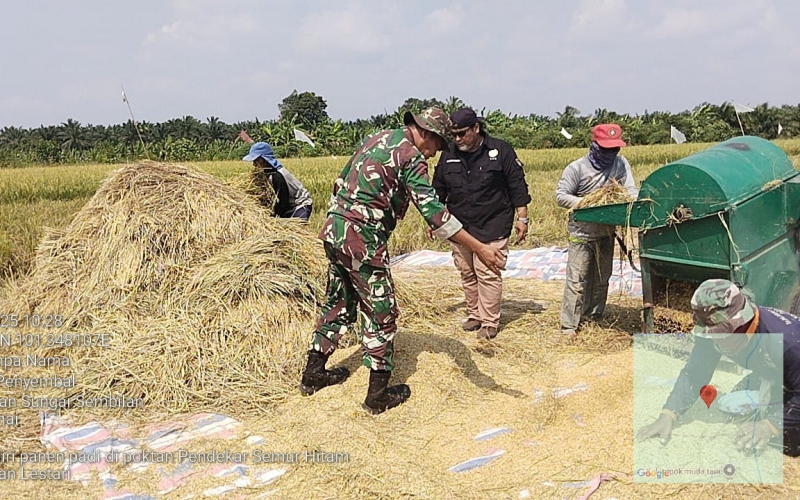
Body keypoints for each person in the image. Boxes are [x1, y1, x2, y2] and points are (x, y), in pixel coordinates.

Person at [298, 107, 507, 415]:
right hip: (362, 243)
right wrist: (480, 249)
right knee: (382, 313)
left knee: (339, 304)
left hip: (334, 232)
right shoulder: (412, 157)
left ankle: (313, 374)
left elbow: (340, 182)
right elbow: (436, 215)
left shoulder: (377, 138)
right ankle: (378, 395)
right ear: (427, 134)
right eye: (438, 145)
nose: (436, 153)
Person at [636, 279, 800, 456]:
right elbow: (694, 374)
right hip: (775, 371)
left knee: (784, 445)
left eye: (722, 334)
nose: (716, 341)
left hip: (791, 369)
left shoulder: (787, 342)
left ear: (742, 323)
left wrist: (771, 425)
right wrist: (668, 414)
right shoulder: (713, 336)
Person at [431, 108, 531, 340]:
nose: (457, 139)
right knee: (467, 272)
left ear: (476, 128)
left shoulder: (501, 150)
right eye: (453, 135)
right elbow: (438, 189)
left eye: (462, 134)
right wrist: (432, 220)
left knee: (488, 273)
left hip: (493, 222)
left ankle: (489, 321)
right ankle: (475, 314)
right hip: (459, 226)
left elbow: (517, 185)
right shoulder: (449, 154)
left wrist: (522, 218)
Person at [555, 124, 638, 338]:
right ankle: (569, 326)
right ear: (594, 146)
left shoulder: (620, 164)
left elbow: (630, 190)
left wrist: (625, 203)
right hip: (582, 233)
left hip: (607, 232)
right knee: (577, 279)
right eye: (606, 149)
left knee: (602, 277)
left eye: (614, 149)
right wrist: (589, 203)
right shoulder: (577, 168)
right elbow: (561, 196)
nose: (610, 154)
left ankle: (594, 315)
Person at [243, 142, 313, 221]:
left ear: (265, 160)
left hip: (300, 205)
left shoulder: (277, 176)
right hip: (288, 206)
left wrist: (273, 218)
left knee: (294, 230)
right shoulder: (266, 174)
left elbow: (282, 201)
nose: (254, 164)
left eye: (256, 161)